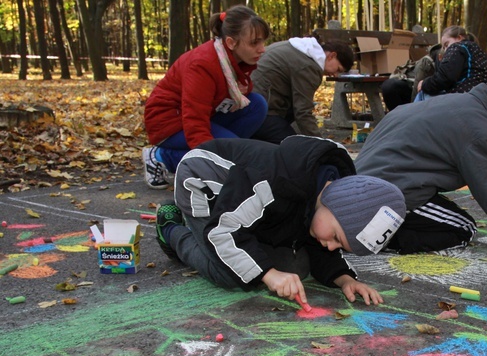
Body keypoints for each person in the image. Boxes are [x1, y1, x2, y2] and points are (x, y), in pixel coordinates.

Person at [155, 136, 406, 306]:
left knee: (294, 268)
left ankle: (207, 240)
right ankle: (172, 230)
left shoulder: (322, 200)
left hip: (245, 208)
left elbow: (317, 244)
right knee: (232, 272)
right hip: (203, 186)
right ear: (334, 205)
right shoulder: (275, 184)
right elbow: (223, 231)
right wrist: (267, 273)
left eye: (339, 246)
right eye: (337, 239)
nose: (331, 246)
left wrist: (345, 279)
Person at [355, 64, 487, 254]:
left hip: (355, 188)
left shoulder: (455, 102)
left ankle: (362, 224)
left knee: (443, 210)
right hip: (388, 196)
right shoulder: (478, 128)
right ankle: (372, 238)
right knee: (463, 227)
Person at [142, 6, 270, 189]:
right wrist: (213, 159)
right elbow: (194, 118)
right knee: (233, 158)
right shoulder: (203, 65)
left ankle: (227, 159)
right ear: (232, 42)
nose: (262, 49)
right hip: (168, 120)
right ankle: (161, 157)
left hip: (201, 114)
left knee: (257, 105)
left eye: (263, 42)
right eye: (254, 43)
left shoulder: (229, 57)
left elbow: (237, 91)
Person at [250, 38, 354, 144]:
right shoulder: (309, 66)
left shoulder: (298, 48)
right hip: (261, 111)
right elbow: (303, 111)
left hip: (252, 101)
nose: (335, 75)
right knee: (292, 146)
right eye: (338, 69)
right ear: (332, 56)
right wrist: (321, 144)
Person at [414, 26, 487, 100]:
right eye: (444, 47)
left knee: (423, 94)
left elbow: (445, 78)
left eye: (446, 44)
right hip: (483, 98)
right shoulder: (477, 52)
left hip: (464, 98)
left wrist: (424, 83)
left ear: (459, 37)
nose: (446, 50)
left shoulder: (457, 47)